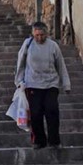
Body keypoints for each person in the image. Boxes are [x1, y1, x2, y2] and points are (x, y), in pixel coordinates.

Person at [15, 21, 71, 149]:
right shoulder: (28, 44)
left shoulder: (53, 46)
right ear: (33, 34)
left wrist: (66, 84)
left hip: (51, 83)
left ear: (46, 33)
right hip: (32, 84)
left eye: (42, 35)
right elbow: (21, 63)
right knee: (35, 113)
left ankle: (54, 141)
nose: (39, 38)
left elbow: (61, 65)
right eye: (37, 35)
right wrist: (18, 81)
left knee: (52, 110)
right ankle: (39, 141)